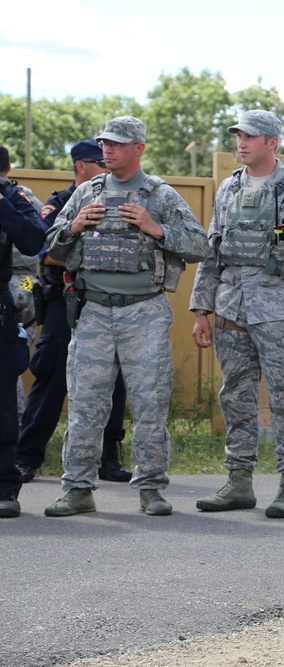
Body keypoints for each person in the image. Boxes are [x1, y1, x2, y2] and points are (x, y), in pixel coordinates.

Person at [42, 117, 208, 517]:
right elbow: (48, 248)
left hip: (144, 313)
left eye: (116, 143)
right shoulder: (87, 192)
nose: (107, 150)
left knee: (150, 404)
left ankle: (151, 488)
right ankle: (78, 488)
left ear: (139, 148)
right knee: (85, 402)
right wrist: (73, 228)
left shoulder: (160, 195)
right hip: (94, 310)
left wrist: (156, 229)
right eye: (104, 143)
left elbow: (200, 245)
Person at [191, 110, 284, 519]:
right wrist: (202, 308)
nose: (241, 143)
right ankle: (238, 482)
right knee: (235, 396)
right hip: (231, 309)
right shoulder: (228, 188)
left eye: (250, 136)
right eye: (238, 136)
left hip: (282, 313)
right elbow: (211, 250)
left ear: (272, 142)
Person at [16, 140, 131, 484]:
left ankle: (107, 457)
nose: (107, 166)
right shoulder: (59, 204)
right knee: (51, 377)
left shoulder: (118, 200)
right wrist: (97, 252)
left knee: (115, 382)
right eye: (100, 160)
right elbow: (45, 253)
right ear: (82, 165)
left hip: (106, 302)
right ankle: (27, 457)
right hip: (64, 303)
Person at [0, 144, 48, 518]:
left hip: (19, 284)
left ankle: (5, 485)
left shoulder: (16, 196)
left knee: (3, 400)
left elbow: (36, 240)